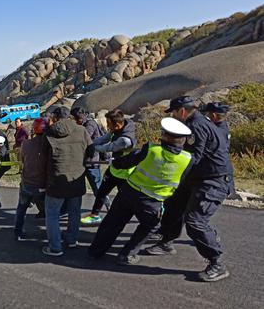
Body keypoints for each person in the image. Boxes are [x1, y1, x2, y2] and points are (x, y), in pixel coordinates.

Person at [144, 96, 234, 282]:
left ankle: (216, 262)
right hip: (197, 177)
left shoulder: (196, 126)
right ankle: (166, 242)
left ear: (182, 111)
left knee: (195, 222)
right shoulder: (194, 122)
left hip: (212, 179)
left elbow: (194, 157)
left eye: (175, 113)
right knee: (174, 205)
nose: (174, 117)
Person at [88, 118, 193, 265]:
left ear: (165, 137)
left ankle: (95, 251)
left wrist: (115, 162)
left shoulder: (150, 149)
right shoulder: (188, 159)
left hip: (129, 193)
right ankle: (127, 254)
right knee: (150, 226)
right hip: (153, 201)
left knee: (112, 223)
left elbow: (123, 163)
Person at [43, 106, 92, 256]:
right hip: (76, 178)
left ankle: (55, 247)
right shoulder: (81, 130)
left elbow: (44, 157)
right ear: (69, 116)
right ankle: (71, 240)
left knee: (52, 214)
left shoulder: (49, 132)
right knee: (74, 211)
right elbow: (91, 150)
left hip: (56, 180)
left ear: (56, 118)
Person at [80, 109, 137, 225]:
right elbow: (105, 138)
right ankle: (94, 215)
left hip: (125, 172)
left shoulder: (125, 140)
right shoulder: (120, 125)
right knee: (102, 192)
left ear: (117, 125)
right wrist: (90, 143)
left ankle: (148, 216)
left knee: (128, 199)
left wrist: (92, 148)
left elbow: (108, 147)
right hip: (115, 168)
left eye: (109, 124)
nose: (108, 126)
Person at [71, 108, 111, 210]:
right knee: (77, 188)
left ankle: (107, 205)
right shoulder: (81, 124)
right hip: (82, 161)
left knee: (97, 187)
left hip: (91, 160)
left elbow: (84, 139)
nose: (75, 121)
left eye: (76, 118)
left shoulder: (90, 124)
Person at [14, 117, 48, 240]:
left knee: (21, 209)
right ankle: (52, 234)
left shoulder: (26, 144)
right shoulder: (49, 145)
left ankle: (18, 232)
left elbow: (23, 160)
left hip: (27, 182)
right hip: (43, 185)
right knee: (51, 211)